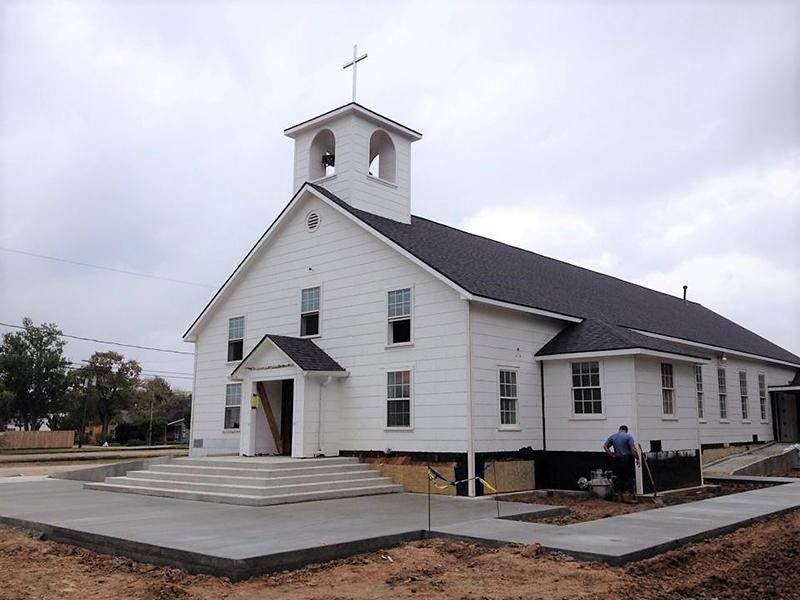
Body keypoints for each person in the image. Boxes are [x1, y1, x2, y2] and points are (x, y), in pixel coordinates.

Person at [603, 425, 640, 503]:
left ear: (619, 430)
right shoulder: (628, 437)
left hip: (617, 459)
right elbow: (633, 449)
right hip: (627, 458)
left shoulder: (613, 436)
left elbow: (605, 446)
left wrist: (611, 455)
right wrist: (637, 458)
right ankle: (628, 497)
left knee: (619, 477)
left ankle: (619, 496)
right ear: (626, 430)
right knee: (629, 477)